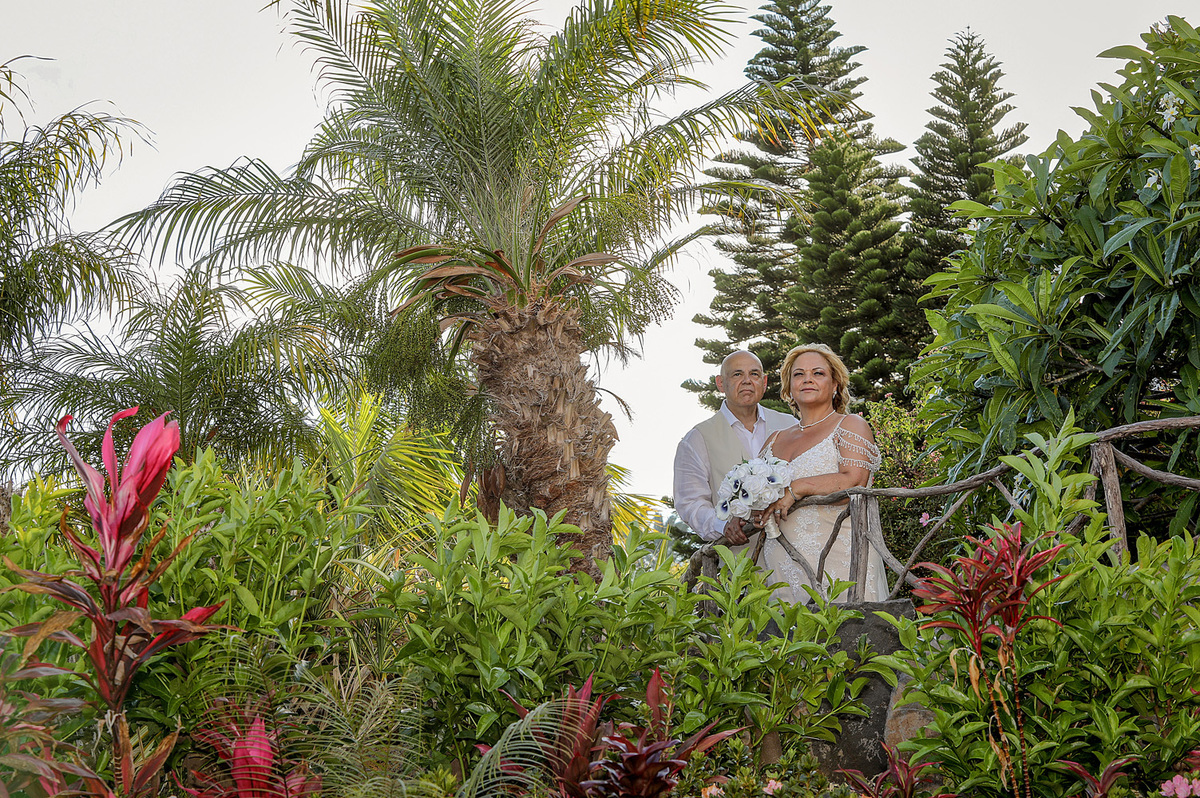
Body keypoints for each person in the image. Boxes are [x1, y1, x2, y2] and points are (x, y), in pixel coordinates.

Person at [754, 343, 886, 603]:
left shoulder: (850, 425)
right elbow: (758, 492)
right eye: (799, 374)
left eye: (818, 373)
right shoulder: (774, 439)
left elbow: (855, 481)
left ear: (835, 384)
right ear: (789, 387)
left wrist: (797, 488)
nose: (808, 379)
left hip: (837, 561)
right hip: (780, 565)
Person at [673, 350, 797, 549]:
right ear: (720, 383)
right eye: (737, 374)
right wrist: (722, 525)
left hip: (793, 550)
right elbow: (690, 503)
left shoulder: (791, 425)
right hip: (739, 557)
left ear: (764, 382)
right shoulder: (696, 439)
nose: (747, 381)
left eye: (754, 374)